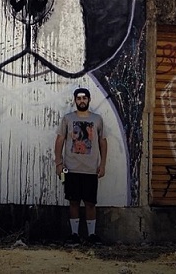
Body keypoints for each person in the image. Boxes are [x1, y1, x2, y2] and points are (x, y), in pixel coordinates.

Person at [54, 87, 107, 246]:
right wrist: (58, 163)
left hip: (91, 170)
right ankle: (74, 235)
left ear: (89, 100)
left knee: (90, 203)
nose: (82, 101)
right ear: (75, 100)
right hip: (71, 169)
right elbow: (60, 140)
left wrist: (103, 164)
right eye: (79, 98)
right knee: (74, 202)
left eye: (84, 98)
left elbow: (102, 142)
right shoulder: (68, 119)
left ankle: (92, 235)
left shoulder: (97, 119)